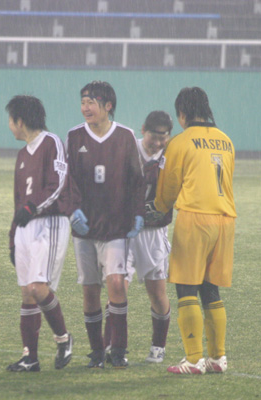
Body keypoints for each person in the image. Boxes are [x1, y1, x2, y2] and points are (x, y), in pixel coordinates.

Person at [152, 87, 236, 374]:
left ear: (182, 113)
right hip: (225, 219)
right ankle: (218, 358)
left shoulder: (180, 142)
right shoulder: (226, 140)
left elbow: (168, 188)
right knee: (210, 288)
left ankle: (193, 359)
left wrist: (159, 207)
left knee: (186, 288)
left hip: (195, 219)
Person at [5, 95, 88, 372]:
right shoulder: (22, 155)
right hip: (26, 228)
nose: (9, 125)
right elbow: (18, 202)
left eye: (11, 120)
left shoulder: (51, 142)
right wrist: (13, 238)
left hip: (49, 223)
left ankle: (63, 339)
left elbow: (58, 183)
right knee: (27, 294)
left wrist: (32, 207)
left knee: (38, 289)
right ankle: (30, 358)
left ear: (20, 121)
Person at [66, 81, 146, 369]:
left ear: (108, 105)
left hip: (115, 227)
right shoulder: (74, 136)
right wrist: (73, 210)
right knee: (90, 290)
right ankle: (97, 351)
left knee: (115, 284)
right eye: (83, 102)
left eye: (91, 102)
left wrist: (138, 214)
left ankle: (118, 350)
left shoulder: (125, 136)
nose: (85, 107)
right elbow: (68, 179)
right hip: (84, 229)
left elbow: (137, 181)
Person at [103, 111, 173, 363]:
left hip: (153, 233)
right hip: (124, 231)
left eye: (163, 137)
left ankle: (158, 345)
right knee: (117, 287)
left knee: (157, 294)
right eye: (154, 136)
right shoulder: (128, 149)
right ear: (143, 130)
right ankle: (111, 345)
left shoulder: (172, 155)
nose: (157, 142)